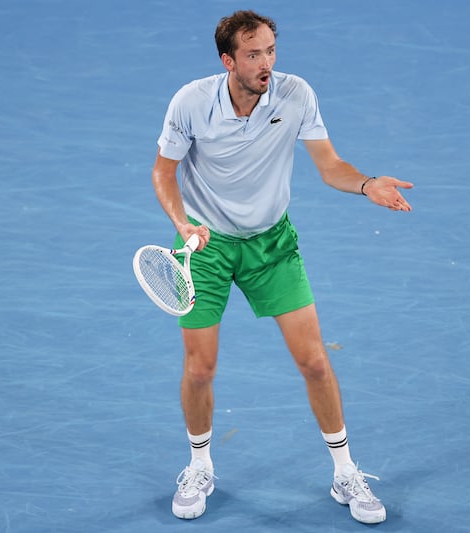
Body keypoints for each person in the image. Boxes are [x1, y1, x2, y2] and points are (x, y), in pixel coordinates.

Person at [151, 9, 413, 525]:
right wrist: (183, 225)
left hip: (272, 244)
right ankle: (199, 465)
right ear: (229, 60)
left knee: (315, 361)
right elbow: (164, 171)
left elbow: (330, 165)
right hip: (206, 245)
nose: (266, 62)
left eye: (271, 50)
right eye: (253, 54)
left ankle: (345, 472)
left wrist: (366, 185)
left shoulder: (295, 95)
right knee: (200, 368)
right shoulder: (191, 102)